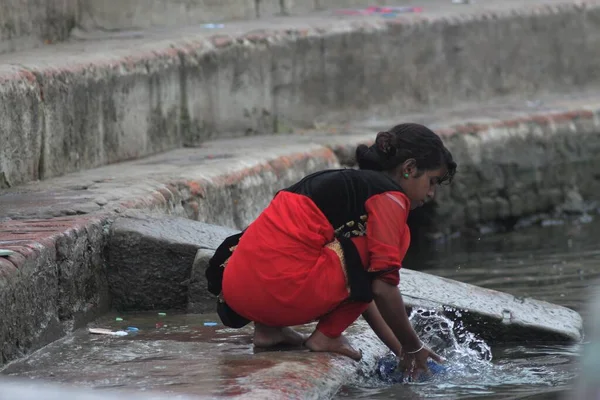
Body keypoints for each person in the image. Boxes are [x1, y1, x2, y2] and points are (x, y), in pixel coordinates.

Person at [205, 123, 457, 378]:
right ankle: (325, 337)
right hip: (278, 291)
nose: (431, 193)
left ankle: (269, 331)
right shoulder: (390, 198)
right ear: (409, 168)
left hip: (238, 290)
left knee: (303, 248)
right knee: (398, 240)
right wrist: (413, 347)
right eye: (432, 181)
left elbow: (362, 292)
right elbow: (381, 287)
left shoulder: (344, 184)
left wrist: (402, 350)